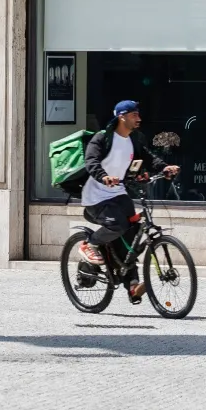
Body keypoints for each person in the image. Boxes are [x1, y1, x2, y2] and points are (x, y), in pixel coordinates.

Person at [77, 100, 179, 302]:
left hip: (119, 194)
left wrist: (164, 168)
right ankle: (89, 244)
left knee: (132, 235)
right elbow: (91, 161)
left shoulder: (134, 139)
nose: (139, 118)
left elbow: (149, 158)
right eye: (134, 115)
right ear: (122, 116)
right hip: (96, 198)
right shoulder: (103, 138)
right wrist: (104, 176)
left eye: (138, 114)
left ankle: (132, 285)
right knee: (117, 225)